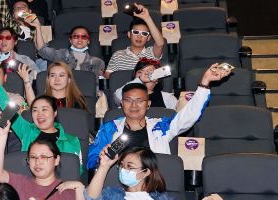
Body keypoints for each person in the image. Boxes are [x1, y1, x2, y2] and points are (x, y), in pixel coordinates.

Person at [86, 64, 225, 171]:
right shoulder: (110, 128)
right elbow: (91, 161)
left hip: (155, 185)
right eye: (128, 100)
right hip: (118, 186)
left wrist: (205, 82)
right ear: (122, 104)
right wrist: (101, 160)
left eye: (140, 101)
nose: (134, 105)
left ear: (148, 104)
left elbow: (189, 115)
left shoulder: (161, 126)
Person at [0, 121, 84, 200]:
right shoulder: (20, 183)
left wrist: (80, 188)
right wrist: (2, 136)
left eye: (44, 157)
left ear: (56, 160)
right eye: (33, 157)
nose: (38, 162)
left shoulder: (70, 190)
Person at [0, 80, 83, 164]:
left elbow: (75, 170)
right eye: (35, 110)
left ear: (54, 113)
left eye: (44, 109)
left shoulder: (71, 141)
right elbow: (5, 104)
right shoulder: (27, 130)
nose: (39, 114)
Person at [79, 147, 187, 200]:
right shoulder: (113, 196)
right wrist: (104, 166)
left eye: (129, 166)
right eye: (122, 165)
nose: (123, 169)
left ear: (146, 172)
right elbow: (92, 198)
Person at [105, 5, 165, 77]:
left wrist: (147, 18)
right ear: (129, 34)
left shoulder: (152, 53)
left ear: (148, 38)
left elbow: (160, 43)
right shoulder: (117, 55)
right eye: (136, 32)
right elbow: (109, 78)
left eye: (144, 33)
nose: (139, 36)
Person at [36, 25, 105, 78]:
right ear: (70, 40)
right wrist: (38, 27)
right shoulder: (61, 54)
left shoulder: (98, 62)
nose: (80, 39)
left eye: (84, 36)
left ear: (88, 41)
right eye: (76, 36)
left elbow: (96, 85)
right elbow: (42, 50)